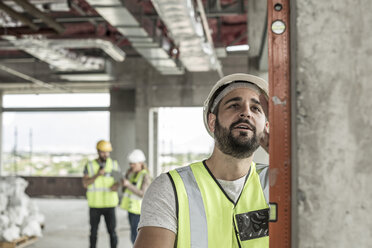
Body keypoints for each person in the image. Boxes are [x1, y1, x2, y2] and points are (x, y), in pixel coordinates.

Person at [134, 73, 270, 248]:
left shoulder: (280, 185)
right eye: (234, 105)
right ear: (212, 122)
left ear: (266, 126)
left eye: (256, 108)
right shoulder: (171, 189)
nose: (245, 112)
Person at [82, 140, 120, 248]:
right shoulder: (89, 166)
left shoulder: (114, 164)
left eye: (108, 152)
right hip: (95, 205)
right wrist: (97, 175)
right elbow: (85, 183)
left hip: (110, 204)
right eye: (103, 152)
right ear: (98, 151)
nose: (106, 154)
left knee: (112, 232)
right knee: (93, 232)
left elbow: (119, 181)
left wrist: (116, 186)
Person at [120, 149, 151, 244]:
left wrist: (128, 184)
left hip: (139, 211)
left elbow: (143, 193)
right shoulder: (132, 174)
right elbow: (125, 191)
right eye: (130, 163)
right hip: (131, 209)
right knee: (133, 236)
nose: (131, 165)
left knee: (136, 238)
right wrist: (126, 179)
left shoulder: (145, 176)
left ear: (140, 163)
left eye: (133, 163)